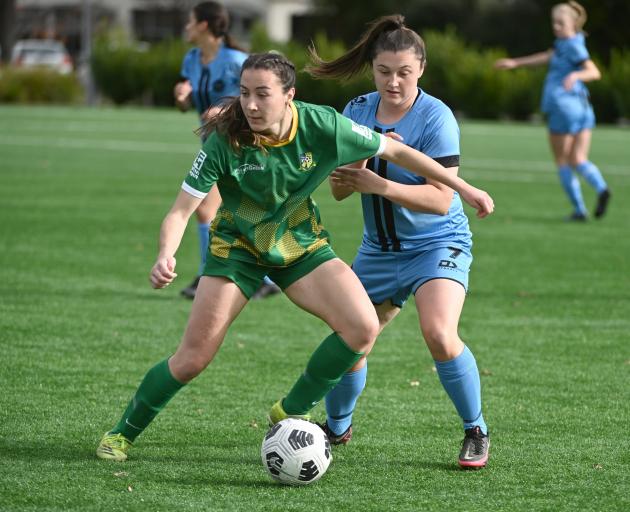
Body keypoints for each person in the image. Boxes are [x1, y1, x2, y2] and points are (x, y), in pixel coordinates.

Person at [96, 52, 494, 462]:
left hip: (299, 245)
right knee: (193, 358)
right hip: (238, 251)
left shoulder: (321, 125)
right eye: (245, 93)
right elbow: (181, 210)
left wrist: (464, 188)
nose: (250, 105)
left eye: (262, 94)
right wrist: (165, 254)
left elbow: (398, 154)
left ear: (289, 95)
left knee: (361, 329)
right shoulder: (226, 139)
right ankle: (121, 433)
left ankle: (291, 410)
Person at [305, 14, 491, 469]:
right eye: (384, 71)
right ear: (372, 68)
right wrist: (356, 174)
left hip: (437, 245)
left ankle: (476, 430)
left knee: (439, 334)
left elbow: (440, 199)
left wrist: (380, 185)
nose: (393, 81)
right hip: (378, 252)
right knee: (350, 340)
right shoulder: (356, 111)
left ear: (421, 69)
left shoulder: (437, 118)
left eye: (404, 72)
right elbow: (339, 189)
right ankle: (338, 427)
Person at [174, 1, 280, 299]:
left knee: (212, 208)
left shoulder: (237, 61)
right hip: (214, 147)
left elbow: (258, 101)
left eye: (190, 21)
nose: (187, 27)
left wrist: (224, 111)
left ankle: (214, 275)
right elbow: (187, 105)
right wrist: (182, 96)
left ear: (204, 25)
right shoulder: (192, 59)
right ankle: (264, 276)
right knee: (232, 210)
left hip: (243, 147)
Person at [495, 1, 610, 222]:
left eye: (560, 23)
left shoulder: (574, 46)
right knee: (578, 159)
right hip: (583, 108)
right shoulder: (566, 43)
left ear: (573, 24)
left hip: (563, 108)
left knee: (562, 161)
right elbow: (547, 56)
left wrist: (576, 76)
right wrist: (515, 63)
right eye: (554, 22)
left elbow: (593, 71)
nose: (556, 27)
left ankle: (579, 210)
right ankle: (601, 188)